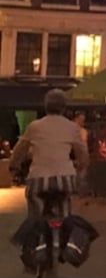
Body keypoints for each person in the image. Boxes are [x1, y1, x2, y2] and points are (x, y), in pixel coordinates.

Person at [9, 89, 89, 221]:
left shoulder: (35, 126)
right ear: (64, 108)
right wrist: (81, 167)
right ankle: (64, 236)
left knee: (36, 218)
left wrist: (13, 166)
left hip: (39, 178)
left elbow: (19, 150)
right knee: (64, 215)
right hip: (64, 179)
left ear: (45, 106)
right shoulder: (72, 127)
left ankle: (37, 236)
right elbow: (83, 153)